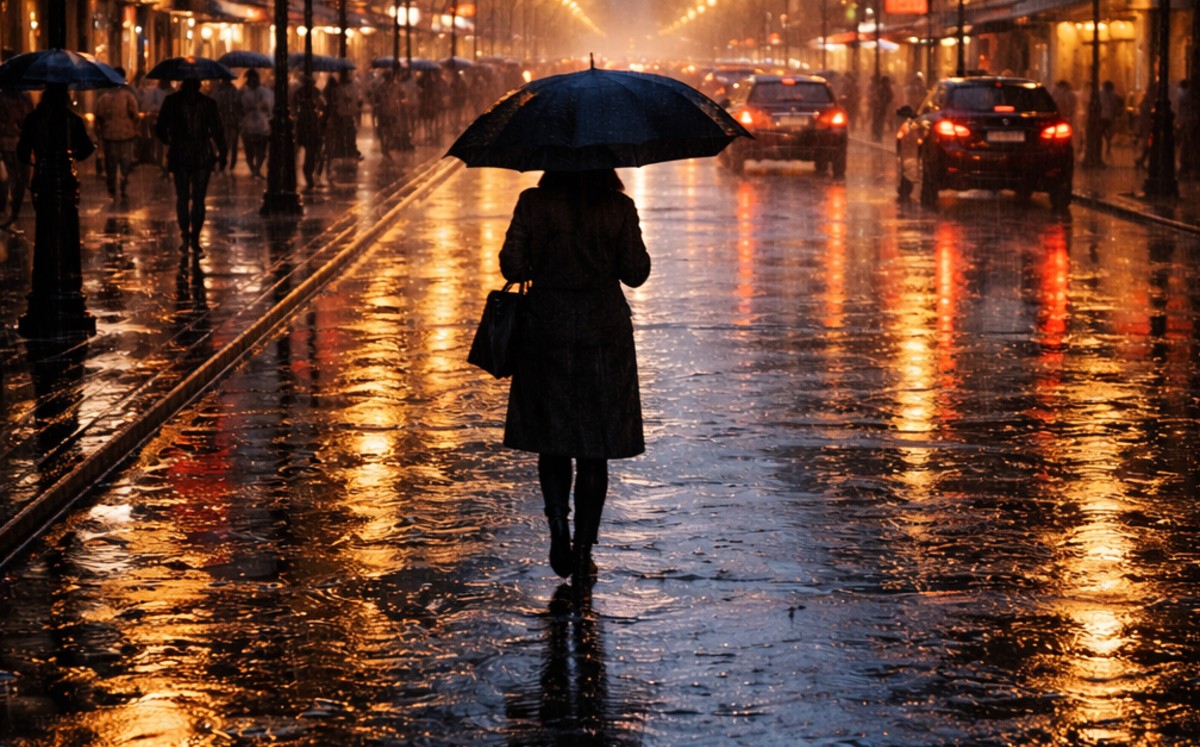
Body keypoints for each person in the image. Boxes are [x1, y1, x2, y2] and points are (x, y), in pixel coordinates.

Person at [497, 169, 652, 585]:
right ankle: (583, 551)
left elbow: (512, 265)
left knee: (554, 438)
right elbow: (636, 272)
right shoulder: (618, 207)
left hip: (546, 329)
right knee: (594, 446)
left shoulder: (533, 203)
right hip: (603, 333)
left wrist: (546, 259)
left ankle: (558, 528)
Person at [155, 78, 227, 251]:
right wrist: (223, 153)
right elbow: (217, 131)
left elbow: (160, 128)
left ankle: (187, 236)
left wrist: (170, 139)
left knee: (184, 197)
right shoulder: (208, 103)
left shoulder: (172, 101)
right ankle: (193, 237)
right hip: (200, 154)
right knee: (197, 198)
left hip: (182, 153)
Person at [93, 67, 141, 200]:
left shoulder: (104, 96)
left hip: (109, 135)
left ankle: (112, 189)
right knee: (125, 162)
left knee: (111, 164)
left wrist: (100, 130)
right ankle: (122, 186)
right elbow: (135, 114)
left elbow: (99, 116)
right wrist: (133, 126)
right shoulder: (128, 95)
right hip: (126, 135)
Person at [0, 84, 33, 228]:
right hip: (9, 143)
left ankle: (13, 210)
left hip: (20, 143)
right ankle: (10, 210)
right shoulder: (4, 98)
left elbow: (29, 118)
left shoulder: (24, 97)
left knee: (20, 179)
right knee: (13, 177)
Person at [293, 74, 324, 191]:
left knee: (311, 151)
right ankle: (308, 174)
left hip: (309, 124)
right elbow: (323, 104)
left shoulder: (310, 93)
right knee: (310, 152)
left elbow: (322, 105)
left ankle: (309, 174)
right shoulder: (307, 93)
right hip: (308, 125)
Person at [239, 69, 271, 178]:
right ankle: (255, 170)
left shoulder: (245, 92)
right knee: (255, 150)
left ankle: (255, 170)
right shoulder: (246, 91)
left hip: (255, 123)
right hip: (255, 123)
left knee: (256, 150)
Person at [210, 75, 243, 173]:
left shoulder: (233, 90)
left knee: (229, 143)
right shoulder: (218, 91)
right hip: (221, 120)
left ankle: (225, 163)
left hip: (231, 121)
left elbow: (238, 104)